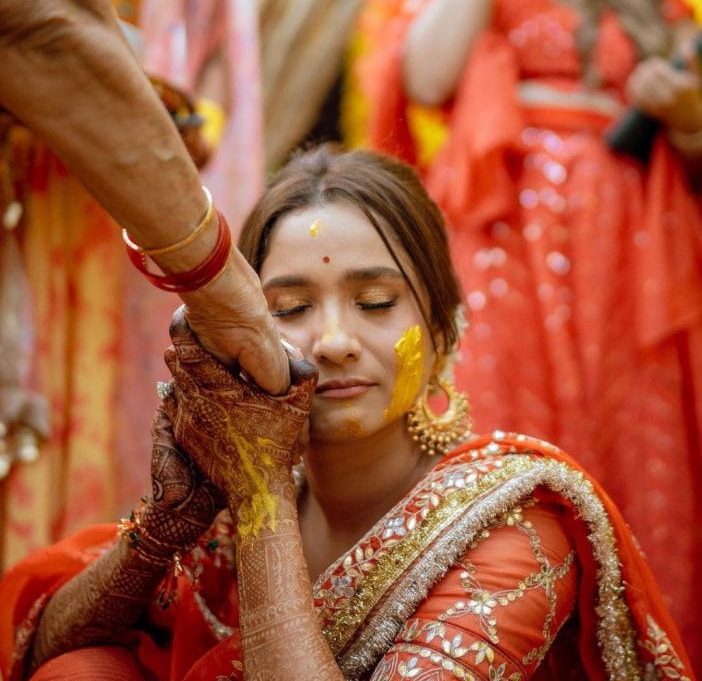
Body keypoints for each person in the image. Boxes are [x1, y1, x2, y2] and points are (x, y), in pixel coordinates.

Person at [0, 145, 694, 681]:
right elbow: (41, 651)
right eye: (291, 310)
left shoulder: (515, 528)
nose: (332, 343)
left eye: (374, 303)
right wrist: (162, 529)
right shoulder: (228, 510)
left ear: (445, 330)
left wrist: (260, 489)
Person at [356, 0, 702, 660]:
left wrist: (683, 115)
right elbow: (428, 81)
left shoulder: (658, 2)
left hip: (630, 259)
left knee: (633, 436)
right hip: (502, 236)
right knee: (507, 433)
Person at [0, 0, 287, 566]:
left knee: (119, 414)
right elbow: (38, 30)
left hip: (126, 215)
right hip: (23, 208)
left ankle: (89, 604)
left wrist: (194, 126)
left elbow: (221, 40)